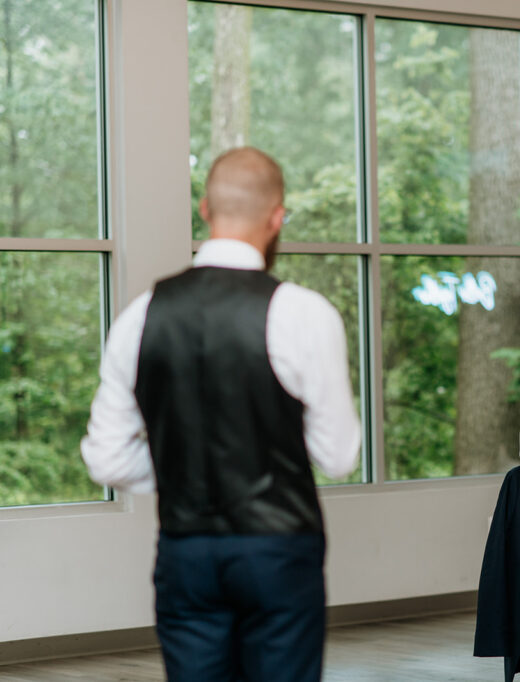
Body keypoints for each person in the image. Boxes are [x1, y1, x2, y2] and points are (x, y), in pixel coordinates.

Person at [80, 147, 361, 681]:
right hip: (278, 552)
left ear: (205, 209)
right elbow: (339, 456)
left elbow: (107, 460)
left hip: (185, 551)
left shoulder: (139, 316)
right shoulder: (304, 314)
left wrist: (181, 470)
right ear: (278, 216)